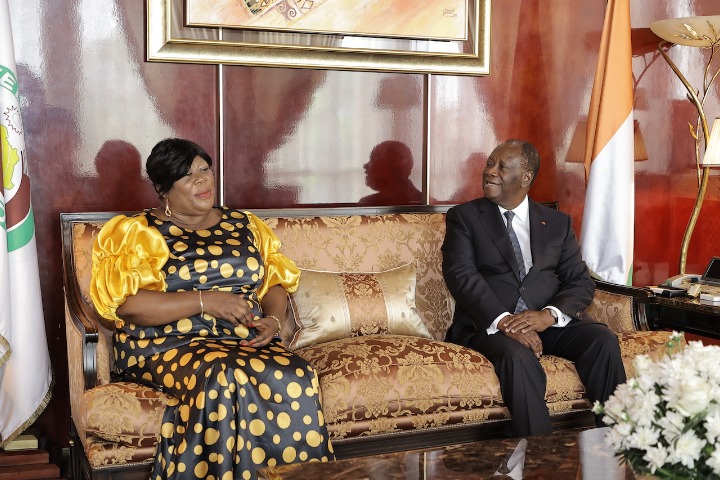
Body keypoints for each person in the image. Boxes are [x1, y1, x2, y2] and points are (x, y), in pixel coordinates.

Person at [89, 138, 334, 479]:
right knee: (223, 376)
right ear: (163, 189)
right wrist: (206, 300)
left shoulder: (244, 224)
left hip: (241, 340)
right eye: (187, 175)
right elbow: (130, 306)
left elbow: (273, 283)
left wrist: (273, 320)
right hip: (164, 345)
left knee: (297, 373)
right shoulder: (137, 232)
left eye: (204, 169)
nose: (202, 180)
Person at [441, 139, 625, 437]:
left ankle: (618, 445)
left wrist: (548, 316)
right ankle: (539, 454)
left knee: (601, 339)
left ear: (526, 177)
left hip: (544, 322)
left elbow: (580, 281)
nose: (490, 171)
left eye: (502, 167)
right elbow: (461, 275)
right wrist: (504, 321)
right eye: (490, 164)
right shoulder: (464, 218)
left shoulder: (556, 223)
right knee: (517, 357)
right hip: (490, 326)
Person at [358, 140, 422, 205]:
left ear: (389, 167)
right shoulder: (424, 202)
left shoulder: (370, 204)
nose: (365, 166)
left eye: (373, 160)